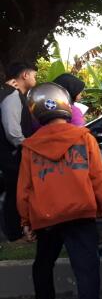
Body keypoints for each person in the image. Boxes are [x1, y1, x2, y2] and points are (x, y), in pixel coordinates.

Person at [17, 82, 102, 299]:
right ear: (65, 106)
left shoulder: (30, 146)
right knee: (86, 269)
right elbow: (98, 178)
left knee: (44, 262)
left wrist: (26, 220)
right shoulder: (84, 137)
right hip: (80, 212)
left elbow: (25, 188)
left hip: (46, 215)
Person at [1, 61, 37, 242]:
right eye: (34, 75)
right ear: (25, 75)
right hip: (13, 156)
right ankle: (14, 234)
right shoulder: (12, 95)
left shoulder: (16, 94)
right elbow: (12, 131)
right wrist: (26, 146)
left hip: (15, 154)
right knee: (14, 193)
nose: (34, 79)